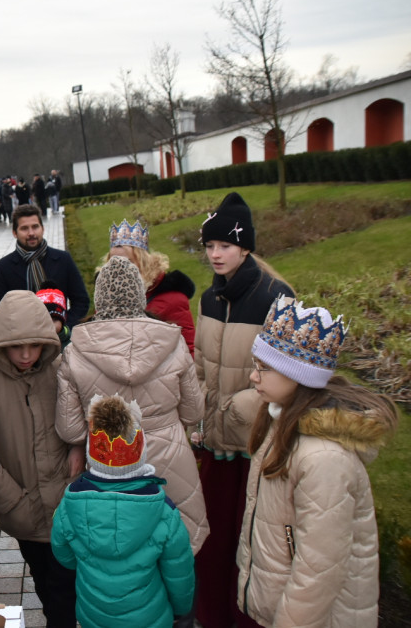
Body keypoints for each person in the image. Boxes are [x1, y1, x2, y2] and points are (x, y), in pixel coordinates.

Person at [237, 297, 397, 627]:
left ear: (298, 375)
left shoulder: (323, 458)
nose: (253, 377)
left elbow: (318, 570)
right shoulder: (282, 422)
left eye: (263, 368)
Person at [55, 256, 208, 554]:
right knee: (175, 548)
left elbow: (70, 429)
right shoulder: (172, 342)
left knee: (122, 553)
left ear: (99, 298)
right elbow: (194, 411)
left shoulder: (74, 353)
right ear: (140, 294)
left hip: (108, 466)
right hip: (171, 462)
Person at [191, 191, 293, 628]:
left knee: (249, 546)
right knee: (212, 547)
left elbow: (289, 376)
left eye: (225, 246)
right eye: (210, 246)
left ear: (245, 247)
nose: (215, 254)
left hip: (254, 448)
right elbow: (199, 365)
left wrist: (236, 408)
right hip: (214, 447)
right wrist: (199, 412)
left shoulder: (276, 296)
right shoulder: (209, 299)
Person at [0, 291, 77, 627]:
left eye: (35, 345)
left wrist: (77, 452)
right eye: (16, 346)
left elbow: (80, 422)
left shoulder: (61, 371)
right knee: (49, 586)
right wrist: (15, 502)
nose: (26, 355)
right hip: (26, 512)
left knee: (67, 589)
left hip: (67, 504)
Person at [51, 395, 195, 628]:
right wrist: (181, 610)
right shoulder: (164, 513)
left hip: (93, 615)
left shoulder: (69, 505)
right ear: (141, 453)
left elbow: (64, 556)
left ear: (92, 456)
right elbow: (179, 572)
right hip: (150, 618)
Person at [104, 219, 196, 354]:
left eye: (127, 262)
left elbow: (188, 350)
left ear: (143, 262)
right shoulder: (107, 297)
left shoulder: (173, 301)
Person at [0, 205, 90, 325]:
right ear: (14, 233)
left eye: (35, 227)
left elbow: (81, 301)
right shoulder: (4, 267)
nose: (31, 233)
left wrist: (62, 324)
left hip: (60, 336)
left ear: (42, 228)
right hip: (24, 338)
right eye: (24, 228)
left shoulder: (63, 259)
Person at [36, 283, 71, 350]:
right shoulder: (31, 342)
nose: (50, 325)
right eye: (44, 320)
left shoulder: (71, 343)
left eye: (54, 320)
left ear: (62, 321)